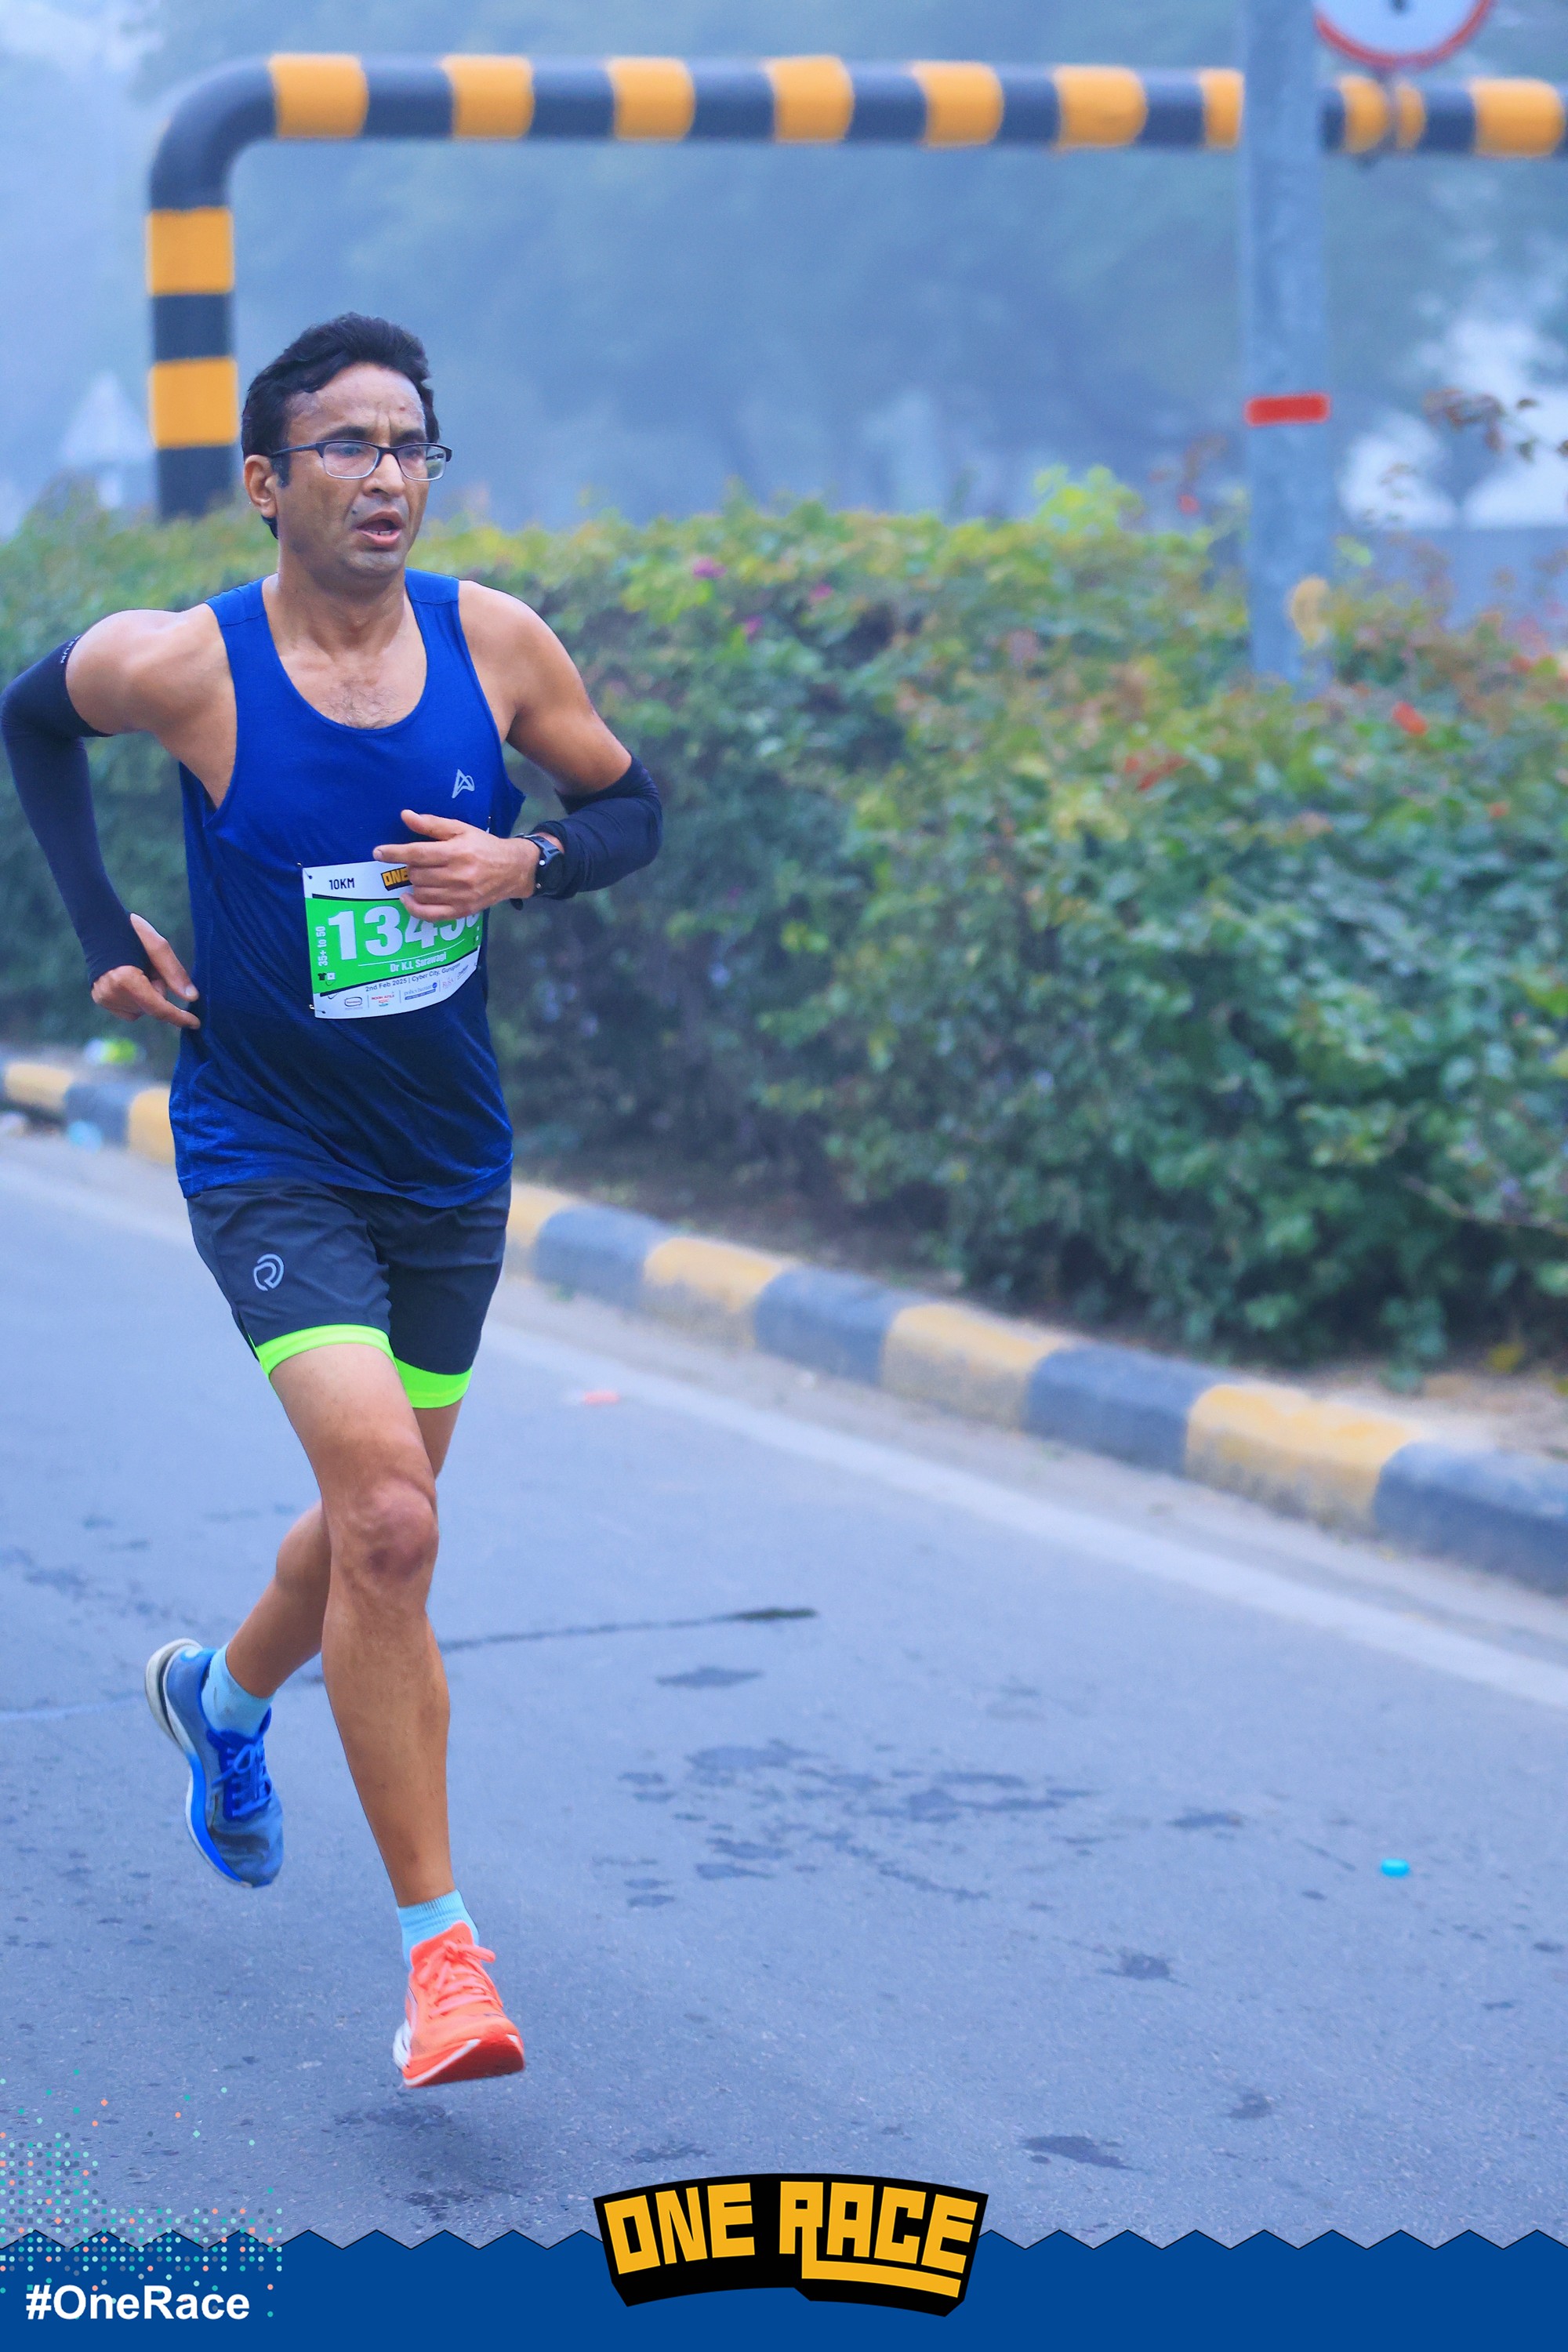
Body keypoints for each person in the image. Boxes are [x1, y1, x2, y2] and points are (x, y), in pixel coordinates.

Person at [0, 314, 662, 2088]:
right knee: (387, 1519)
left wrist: (527, 860)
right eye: (349, 447)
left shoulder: (494, 643)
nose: (387, 477)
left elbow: (634, 810)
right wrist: (102, 934)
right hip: (267, 1151)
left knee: (382, 1526)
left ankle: (220, 1703)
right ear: (265, 482)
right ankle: (444, 1964)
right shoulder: (184, 666)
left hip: (447, 1164)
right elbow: (26, 720)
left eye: (410, 446)